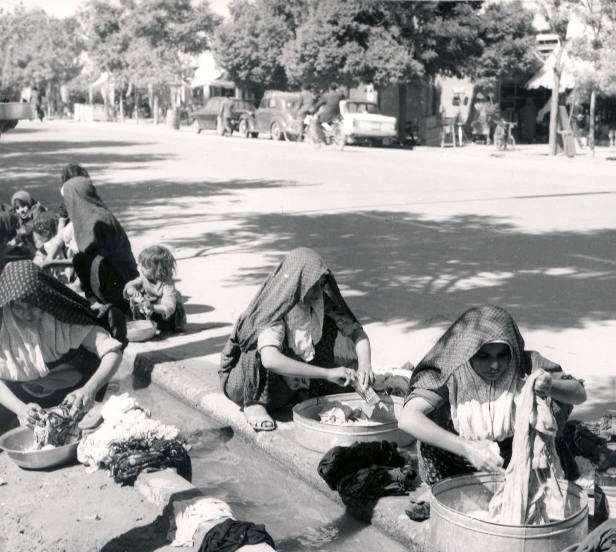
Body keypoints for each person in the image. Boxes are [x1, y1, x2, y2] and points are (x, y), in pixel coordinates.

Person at [399, 305, 588, 486]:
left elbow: (579, 394)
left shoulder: (524, 365)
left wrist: (550, 386)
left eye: (502, 355)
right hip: (455, 462)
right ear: (467, 353)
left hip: (518, 459)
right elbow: (408, 418)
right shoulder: (449, 372)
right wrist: (467, 448)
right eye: (483, 357)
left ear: (512, 349)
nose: (495, 366)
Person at [219, 248, 374, 432]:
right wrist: (327, 373)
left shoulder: (320, 301)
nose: (318, 292)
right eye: (312, 286)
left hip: (289, 382)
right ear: (297, 283)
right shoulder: (275, 306)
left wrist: (365, 365)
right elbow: (269, 359)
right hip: (246, 383)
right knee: (258, 343)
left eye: (321, 284)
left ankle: (303, 391)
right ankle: (254, 404)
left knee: (330, 325)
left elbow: (358, 334)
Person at [0, 261, 124, 434]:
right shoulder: (2, 324)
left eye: (33, 306)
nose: (26, 314)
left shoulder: (61, 318)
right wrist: (20, 408)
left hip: (69, 394)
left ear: (43, 298)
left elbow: (112, 351)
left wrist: (90, 388)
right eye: (18, 307)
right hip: (21, 396)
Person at [61, 176, 138, 314]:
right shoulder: (94, 213)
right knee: (80, 259)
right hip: (120, 275)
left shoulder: (95, 220)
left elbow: (91, 253)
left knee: (82, 260)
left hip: (121, 279)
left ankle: (112, 306)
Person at [123, 245, 186, 333]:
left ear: (158, 270)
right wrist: (132, 290)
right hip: (151, 309)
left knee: (170, 316)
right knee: (136, 302)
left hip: (166, 313)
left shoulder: (167, 284)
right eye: (140, 265)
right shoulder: (144, 277)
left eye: (145, 267)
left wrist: (153, 307)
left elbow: (169, 307)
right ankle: (143, 323)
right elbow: (130, 285)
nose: (141, 269)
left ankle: (166, 328)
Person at [6, 190, 46, 259]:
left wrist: (15, 240)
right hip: (33, 249)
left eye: (23, 206)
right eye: (17, 208)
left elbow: (29, 228)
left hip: (45, 248)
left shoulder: (38, 211)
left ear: (29, 204)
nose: (21, 210)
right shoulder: (19, 217)